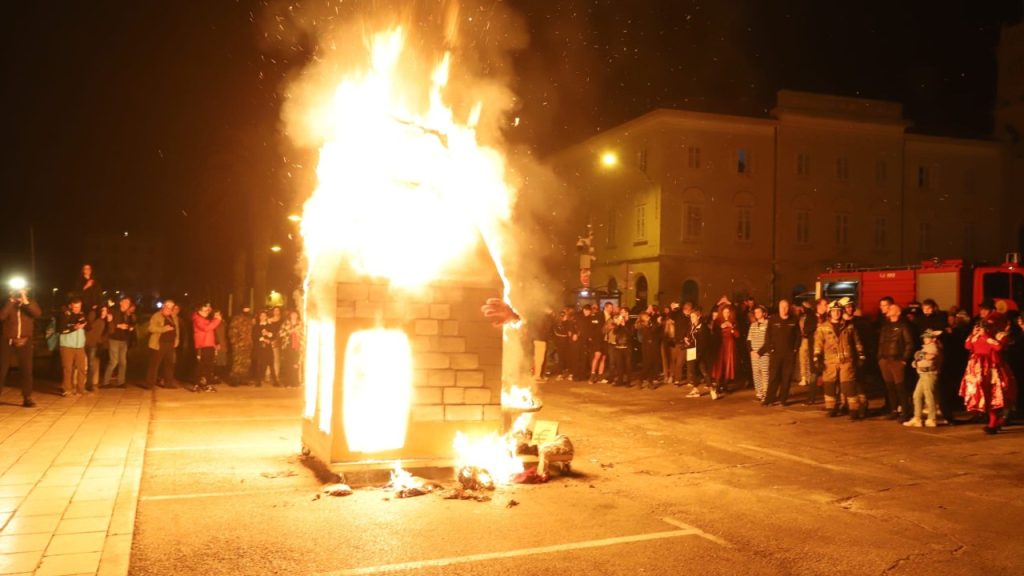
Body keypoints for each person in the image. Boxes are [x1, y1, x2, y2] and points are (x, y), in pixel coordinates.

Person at [960, 302, 1017, 434]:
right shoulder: (978, 334)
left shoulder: (1000, 335)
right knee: (982, 394)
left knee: (995, 394)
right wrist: (973, 334)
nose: (987, 325)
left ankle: (996, 422)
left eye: (991, 323)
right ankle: (993, 420)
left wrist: (986, 336)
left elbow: (998, 347)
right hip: (978, 368)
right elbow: (968, 346)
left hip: (993, 368)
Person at [814, 298, 866, 419]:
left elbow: (857, 342)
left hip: (846, 361)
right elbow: (818, 344)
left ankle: (853, 410)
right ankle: (831, 408)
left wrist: (861, 355)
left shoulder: (849, 326)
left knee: (848, 386)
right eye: (834, 311)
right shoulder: (823, 328)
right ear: (830, 313)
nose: (836, 313)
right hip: (830, 362)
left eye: (838, 311)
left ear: (841, 312)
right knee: (829, 385)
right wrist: (817, 358)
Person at [1, 285, 43, 407]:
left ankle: (27, 397)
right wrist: (11, 301)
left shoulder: (30, 302)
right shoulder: (7, 303)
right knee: (1, 369)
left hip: (25, 340)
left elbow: (37, 313)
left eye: (22, 290)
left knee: (26, 370)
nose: (18, 292)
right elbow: (2, 316)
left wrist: (24, 300)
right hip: (7, 340)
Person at [760, 299, 801, 406]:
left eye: (786, 307)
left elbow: (798, 336)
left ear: (789, 308)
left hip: (789, 355)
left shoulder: (794, 320)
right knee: (773, 377)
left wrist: (795, 349)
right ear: (778, 308)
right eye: (781, 307)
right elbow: (768, 336)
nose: (784, 309)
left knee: (786, 378)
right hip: (775, 354)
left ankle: (783, 399)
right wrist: (770, 349)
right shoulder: (773, 319)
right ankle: (769, 399)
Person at [878, 304, 915, 421]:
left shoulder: (903, 326)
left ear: (898, 312)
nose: (889, 309)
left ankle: (905, 411)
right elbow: (881, 343)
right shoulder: (885, 327)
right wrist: (880, 358)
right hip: (885, 360)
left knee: (900, 387)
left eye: (892, 308)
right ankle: (893, 410)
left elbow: (909, 343)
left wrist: (904, 359)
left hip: (897, 360)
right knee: (890, 387)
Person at [905, 329, 943, 427]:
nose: (925, 339)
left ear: (933, 339)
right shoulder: (926, 348)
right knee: (917, 395)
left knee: (928, 396)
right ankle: (917, 417)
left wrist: (920, 358)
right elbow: (919, 359)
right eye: (924, 337)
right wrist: (917, 362)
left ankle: (931, 418)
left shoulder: (933, 347)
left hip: (929, 374)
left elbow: (930, 358)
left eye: (927, 337)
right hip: (923, 374)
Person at [58, 298, 88, 396]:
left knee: (82, 368)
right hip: (67, 345)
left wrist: (85, 324)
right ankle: (67, 389)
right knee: (68, 368)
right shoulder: (65, 315)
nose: (77, 309)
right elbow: (60, 329)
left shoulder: (82, 315)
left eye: (79, 307)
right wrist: (74, 327)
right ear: (70, 306)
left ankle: (81, 389)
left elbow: (89, 327)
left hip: (80, 346)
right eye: (75, 307)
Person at [103, 297, 135, 388]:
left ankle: (121, 382)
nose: (126, 305)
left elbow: (131, 325)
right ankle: (105, 382)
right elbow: (108, 323)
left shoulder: (127, 314)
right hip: (114, 339)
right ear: (121, 302)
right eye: (125, 302)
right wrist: (118, 326)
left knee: (123, 362)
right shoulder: (114, 311)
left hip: (123, 340)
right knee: (114, 361)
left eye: (128, 303)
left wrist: (128, 327)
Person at [146, 300, 179, 389]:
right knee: (155, 364)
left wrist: (177, 339)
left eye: (171, 307)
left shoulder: (174, 316)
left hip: (170, 343)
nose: (169, 309)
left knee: (169, 363)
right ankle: (150, 384)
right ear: (163, 306)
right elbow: (151, 328)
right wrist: (163, 329)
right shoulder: (156, 316)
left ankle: (168, 383)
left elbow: (177, 329)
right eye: (168, 307)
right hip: (159, 343)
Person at [710, 304, 739, 399]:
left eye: (728, 312)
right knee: (720, 365)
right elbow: (714, 334)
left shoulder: (733, 321)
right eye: (724, 312)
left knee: (728, 365)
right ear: (721, 313)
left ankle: (725, 385)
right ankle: (718, 385)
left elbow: (737, 335)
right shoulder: (717, 321)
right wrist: (720, 327)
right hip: (721, 345)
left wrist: (732, 328)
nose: (726, 314)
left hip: (730, 345)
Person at [191, 303, 222, 392]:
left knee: (209, 366)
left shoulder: (205, 319)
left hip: (209, 345)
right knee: (201, 366)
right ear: (199, 311)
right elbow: (206, 328)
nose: (207, 312)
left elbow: (210, 331)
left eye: (207, 311)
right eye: (205, 311)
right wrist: (217, 320)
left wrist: (214, 344)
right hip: (202, 346)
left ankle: (207, 384)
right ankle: (196, 384)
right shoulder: (198, 319)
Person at [84, 304, 110, 392]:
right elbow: (89, 326)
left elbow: (108, 332)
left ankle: (89, 384)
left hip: (93, 345)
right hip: (85, 342)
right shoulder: (95, 317)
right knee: (82, 364)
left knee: (91, 364)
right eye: (102, 310)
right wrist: (93, 311)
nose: (104, 312)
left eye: (106, 311)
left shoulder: (105, 322)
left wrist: (100, 340)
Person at [747, 305, 769, 402]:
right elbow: (748, 340)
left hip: (764, 353)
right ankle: (759, 393)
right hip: (754, 354)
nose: (757, 314)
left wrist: (760, 352)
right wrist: (751, 350)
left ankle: (766, 393)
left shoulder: (768, 324)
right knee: (756, 373)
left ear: (764, 313)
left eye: (759, 312)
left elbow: (769, 341)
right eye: (755, 312)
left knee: (765, 373)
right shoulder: (753, 325)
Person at [228, 307, 254, 385]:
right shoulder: (237, 319)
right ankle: (234, 380)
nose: (247, 310)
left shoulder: (250, 319)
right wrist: (234, 342)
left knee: (246, 362)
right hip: (238, 344)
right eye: (245, 308)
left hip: (247, 344)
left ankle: (243, 379)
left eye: (248, 309)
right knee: (237, 362)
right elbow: (232, 331)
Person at [279, 310, 304, 388]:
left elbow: (303, 334)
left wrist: (298, 333)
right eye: (292, 314)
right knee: (288, 364)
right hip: (288, 345)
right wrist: (289, 332)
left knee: (296, 364)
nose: (294, 316)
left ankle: (295, 382)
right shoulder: (286, 324)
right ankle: (288, 383)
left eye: (295, 314)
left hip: (297, 346)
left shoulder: (300, 324)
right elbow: (281, 334)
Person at [635, 311, 660, 388]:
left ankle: (650, 382)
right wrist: (657, 324)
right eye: (647, 316)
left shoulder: (649, 323)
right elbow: (649, 333)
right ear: (643, 318)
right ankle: (640, 379)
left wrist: (655, 323)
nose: (648, 317)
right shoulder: (641, 325)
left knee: (652, 364)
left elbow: (655, 331)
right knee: (647, 364)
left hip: (653, 345)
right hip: (647, 346)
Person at [255, 310, 277, 387]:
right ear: (259, 317)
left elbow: (274, 335)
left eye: (264, 316)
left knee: (271, 364)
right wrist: (263, 339)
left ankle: (275, 381)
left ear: (266, 317)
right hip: (260, 347)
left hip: (268, 347)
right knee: (260, 364)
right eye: (261, 316)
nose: (263, 317)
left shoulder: (269, 325)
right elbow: (255, 336)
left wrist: (268, 335)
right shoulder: (257, 326)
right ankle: (258, 381)